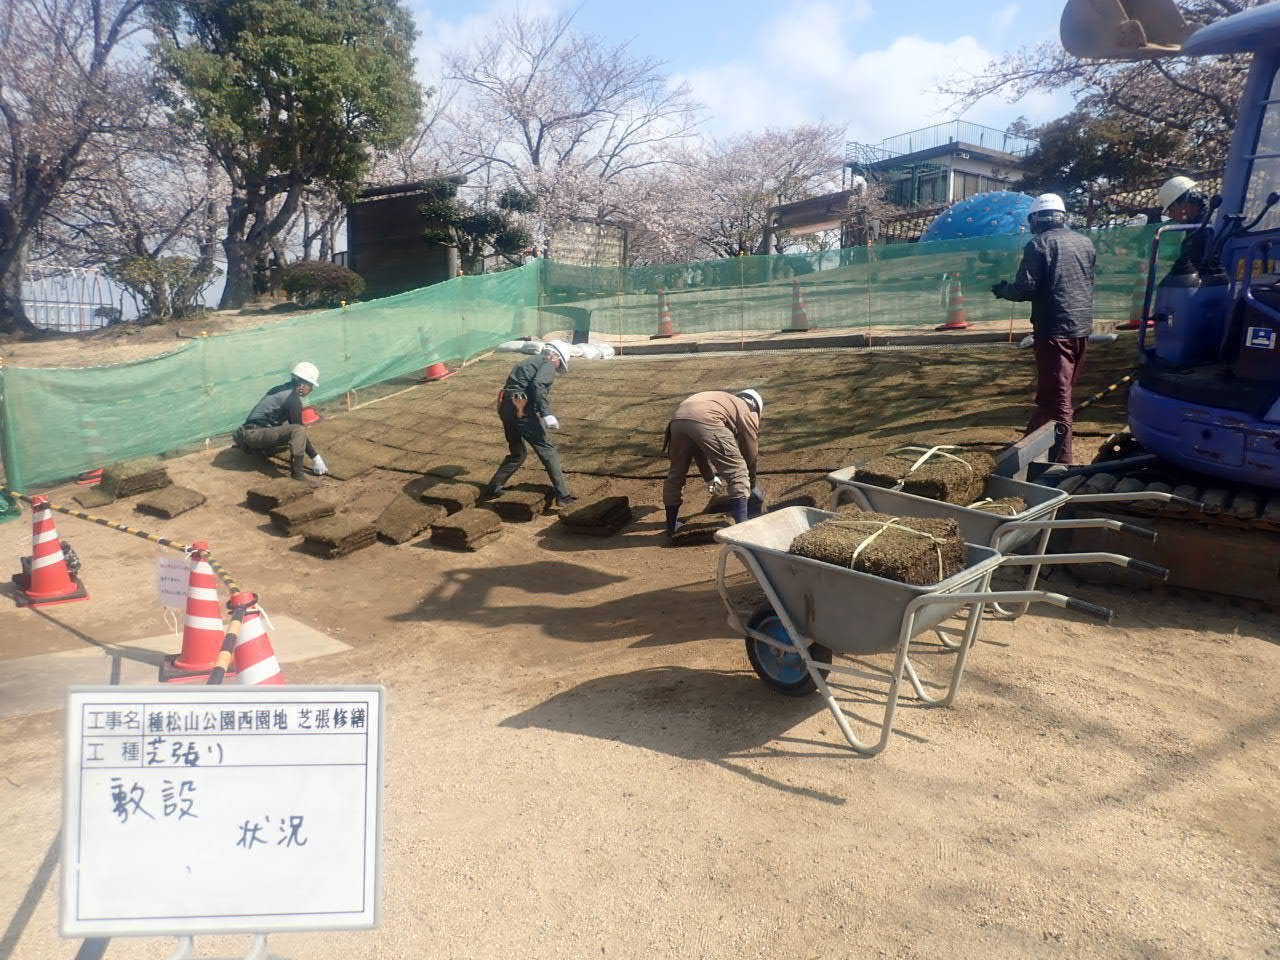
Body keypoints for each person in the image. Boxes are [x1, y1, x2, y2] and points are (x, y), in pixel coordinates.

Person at [992, 194, 1096, 464]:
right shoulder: (1085, 242)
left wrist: (1004, 290)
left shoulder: (1039, 245)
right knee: (1053, 391)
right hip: (1082, 327)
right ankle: (1029, 441)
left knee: (1060, 399)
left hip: (1054, 331)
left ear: (1036, 219)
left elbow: (1025, 288)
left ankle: (1062, 463)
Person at [483, 343, 576, 506]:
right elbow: (538, 385)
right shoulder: (547, 362)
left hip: (505, 406)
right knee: (547, 450)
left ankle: (493, 487)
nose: (556, 368)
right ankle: (563, 496)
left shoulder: (528, 361)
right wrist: (547, 414)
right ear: (554, 356)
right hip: (521, 406)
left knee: (517, 452)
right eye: (559, 364)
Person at [662, 389, 763, 535]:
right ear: (757, 408)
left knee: (676, 473)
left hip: (677, 420)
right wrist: (751, 484)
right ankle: (743, 527)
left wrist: (709, 477)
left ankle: (671, 526)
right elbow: (750, 451)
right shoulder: (749, 411)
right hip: (706, 418)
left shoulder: (724, 401)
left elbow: (697, 449)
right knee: (738, 470)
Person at [234, 362, 328, 480]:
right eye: (311, 385)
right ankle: (298, 475)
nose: (312, 389)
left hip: (248, 434)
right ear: (302, 384)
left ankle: (257, 450)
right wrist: (315, 457)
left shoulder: (281, 390)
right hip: (253, 435)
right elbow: (299, 429)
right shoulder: (292, 399)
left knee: (290, 435)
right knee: (298, 431)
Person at [1157, 175, 1211, 273]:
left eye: (1171, 210)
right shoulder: (1196, 225)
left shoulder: (1203, 229)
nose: (1171, 215)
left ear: (1185, 204)